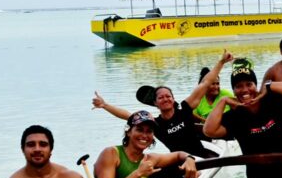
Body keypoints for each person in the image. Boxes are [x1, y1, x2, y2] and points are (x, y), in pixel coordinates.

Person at [92, 50, 234, 160]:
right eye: (161, 97)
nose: (165, 99)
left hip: (202, 157)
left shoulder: (184, 109)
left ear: (173, 99)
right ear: (155, 103)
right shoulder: (156, 124)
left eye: (168, 96)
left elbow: (205, 83)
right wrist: (105, 105)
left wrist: (221, 62)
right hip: (179, 161)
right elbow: (128, 116)